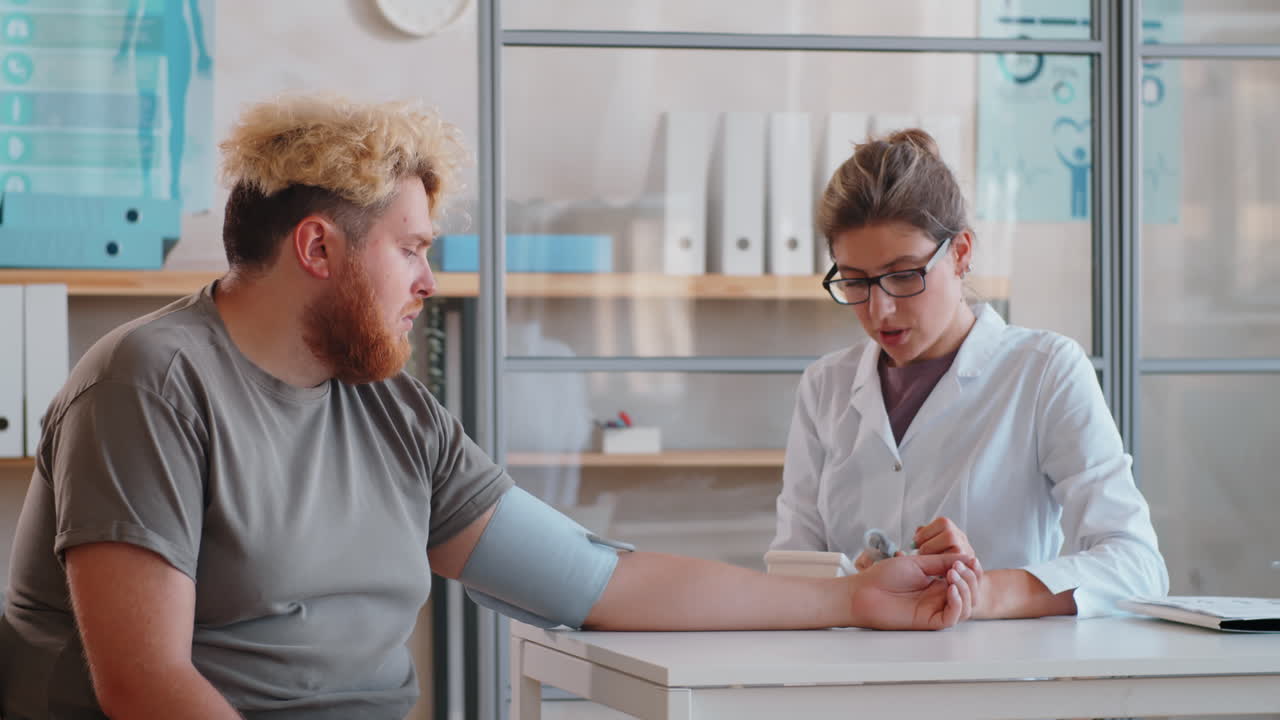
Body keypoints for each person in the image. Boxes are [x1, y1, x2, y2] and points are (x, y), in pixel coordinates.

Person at [0, 96, 979, 720]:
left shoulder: (391, 409)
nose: (429, 278)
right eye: (413, 247)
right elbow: (144, 687)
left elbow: (598, 583)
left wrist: (847, 600)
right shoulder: (147, 384)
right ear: (317, 249)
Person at [771, 128, 1168, 621]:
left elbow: (1136, 565)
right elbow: (792, 574)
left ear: (960, 253)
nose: (880, 309)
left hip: (997, 687)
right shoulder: (824, 387)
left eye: (903, 275)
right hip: (842, 686)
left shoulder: (1044, 371)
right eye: (855, 282)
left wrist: (982, 592)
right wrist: (853, 587)